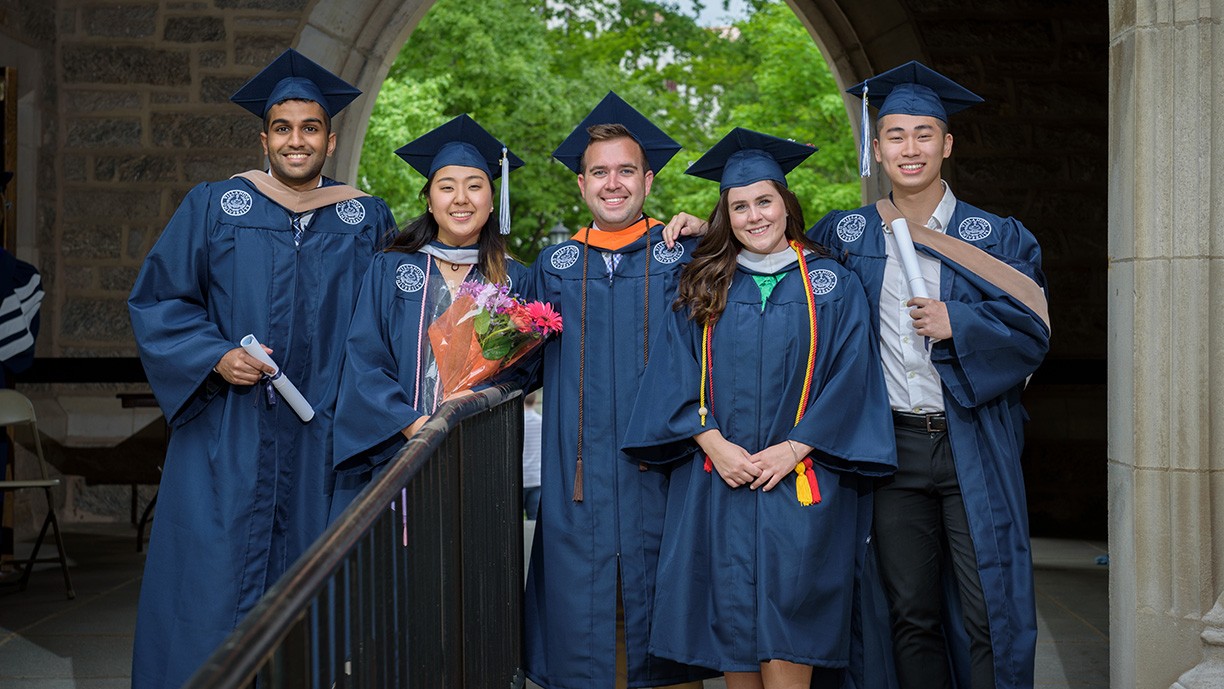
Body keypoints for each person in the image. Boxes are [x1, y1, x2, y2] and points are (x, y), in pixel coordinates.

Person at [127, 49, 396, 689]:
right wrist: (215, 355)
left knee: (318, 579)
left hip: (324, 430)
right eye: (282, 128)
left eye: (310, 128)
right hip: (231, 429)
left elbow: (396, 317)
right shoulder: (217, 206)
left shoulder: (365, 218)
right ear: (264, 138)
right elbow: (160, 299)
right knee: (212, 575)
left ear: (331, 141)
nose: (296, 140)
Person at [621, 129, 896, 689]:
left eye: (764, 201)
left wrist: (794, 448)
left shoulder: (832, 285)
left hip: (800, 482)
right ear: (725, 216)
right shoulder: (705, 282)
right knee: (732, 619)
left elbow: (853, 378)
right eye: (739, 206)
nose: (754, 216)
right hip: (720, 479)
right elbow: (673, 373)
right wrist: (714, 444)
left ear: (786, 204)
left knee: (792, 620)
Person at [809, 62, 1050, 689]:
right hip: (891, 447)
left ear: (947, 144)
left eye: (924, 134)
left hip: (973, 436)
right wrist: (701, 232)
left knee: (989, 606)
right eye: (895, 135)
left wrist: (958, 323)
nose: (909, 148)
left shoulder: (995, 237)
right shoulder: (845, 234)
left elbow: (1033, 332)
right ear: (877, 148)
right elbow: (773, 263)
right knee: (908, 611)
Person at [525, 91, 713, 689]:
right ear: (581, 185)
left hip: (666, 461)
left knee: (663, 588)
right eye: (600, 173)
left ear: (648, 181)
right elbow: (519, 363)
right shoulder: (554, 265)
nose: (614, 184)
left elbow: (769, 251)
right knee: (578, 593)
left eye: (626, 171)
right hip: (579, 467)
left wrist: (713, 231)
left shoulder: (684, 256)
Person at [329, 114, 527, 516]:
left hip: (477, 450)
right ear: (430, 200)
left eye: (475, 186)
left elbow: (526, 369)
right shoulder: (390, 269)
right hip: (398, 453)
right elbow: (364, 359)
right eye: (447, 187)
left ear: (492, 201)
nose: (461, 198)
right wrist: (416, 427)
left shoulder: (512, 279)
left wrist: (473, 402)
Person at [522, 390, 542, 520]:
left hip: (520, 477)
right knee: (533, 518)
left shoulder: (517, 422)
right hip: (536, 477)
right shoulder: (541, 422)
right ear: (535, 401)